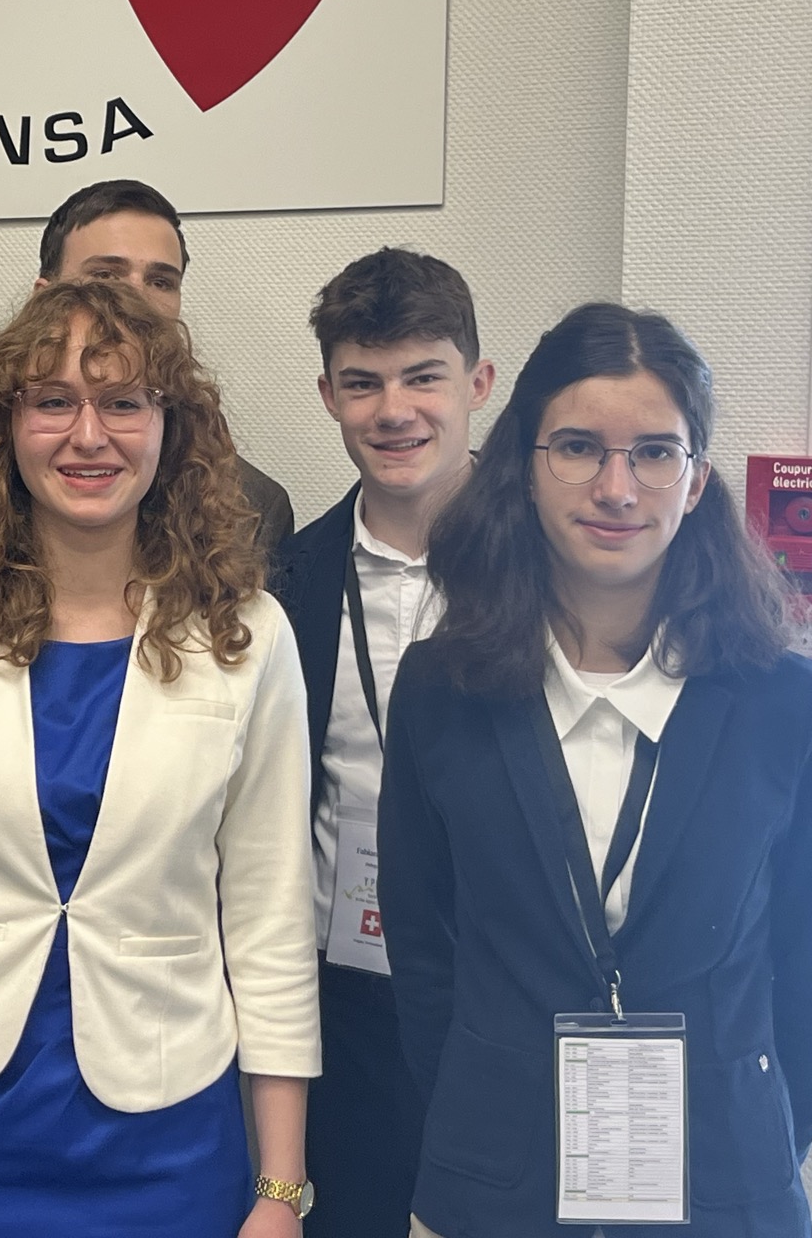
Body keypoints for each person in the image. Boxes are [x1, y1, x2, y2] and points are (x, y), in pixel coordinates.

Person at [0, 280, 320, 1238]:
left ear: (170, 427)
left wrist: (280, 1190)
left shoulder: (246, 635)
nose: (89, 435)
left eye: (123, 402)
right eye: (53, 401)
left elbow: (270, 923)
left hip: (165, 1129)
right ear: (6, 427)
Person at [379, 302, 812, 1237]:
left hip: (723, 1192)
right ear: (526, 467)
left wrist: (747, 1136)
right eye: (577, 448)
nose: (616, 487)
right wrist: (487, 1113)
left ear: (697, 480)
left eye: (654, 453)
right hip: (489, 1190)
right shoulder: (442, 691)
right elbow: (424, 950)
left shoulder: (782, 704)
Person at [269, 249, 493, 1237]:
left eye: (422, 377)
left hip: (504, 999)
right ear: (328, 395)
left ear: (478, 383)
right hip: (346, 1005)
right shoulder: (286, 579)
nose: (393, 410)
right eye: (362, 383)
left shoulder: (552, 565)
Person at [0, 179, 293, 589]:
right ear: (44, 300)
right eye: (105, 276)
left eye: (161, 281)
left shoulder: (251, 503)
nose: (135, 299)